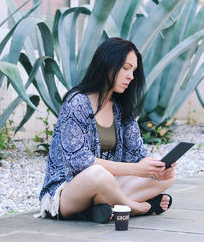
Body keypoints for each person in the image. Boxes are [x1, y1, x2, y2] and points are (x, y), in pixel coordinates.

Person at [37, 37, 176, 223]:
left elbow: (136, 153)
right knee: (98, 173)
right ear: (107, 65)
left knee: (167, 179)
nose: (131, 76)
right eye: (126, 68)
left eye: (133, 70)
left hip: (107, 184)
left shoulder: (121, 106)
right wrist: (137, 170)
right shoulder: (77, 102)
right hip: (68, 192)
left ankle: (103, 209)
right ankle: (134, 208)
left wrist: (155, 168)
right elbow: (79, 161)